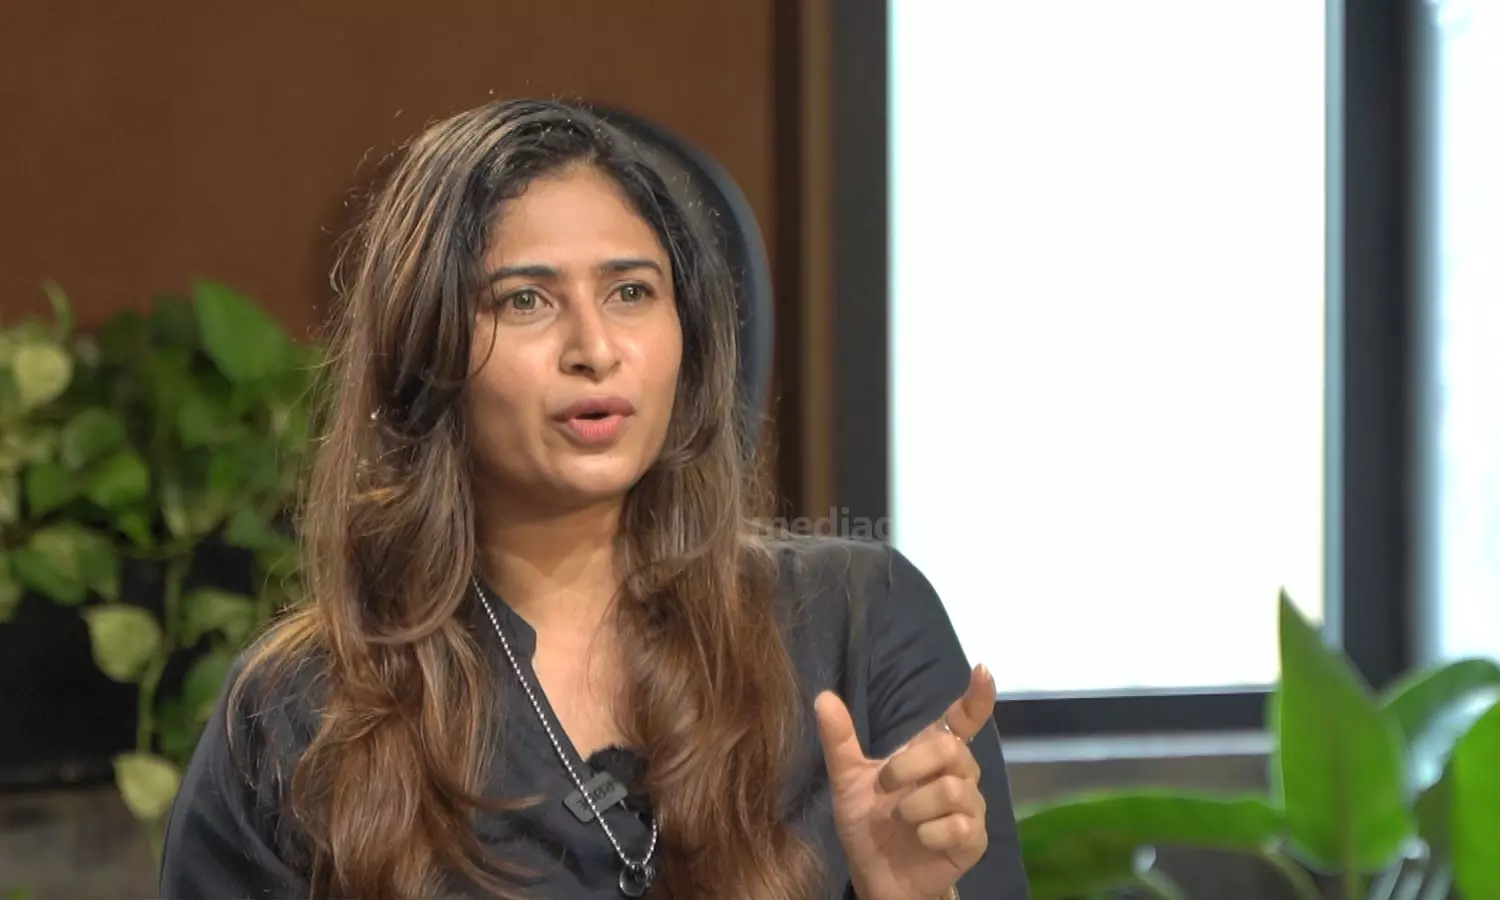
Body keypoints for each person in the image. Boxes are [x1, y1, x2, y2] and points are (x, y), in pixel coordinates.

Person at [158, 98, 1031, 900]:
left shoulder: (861, 625)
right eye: (525, 300)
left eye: (630, 292)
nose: (594, 347)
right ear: (427, 347)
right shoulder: (299, 713)